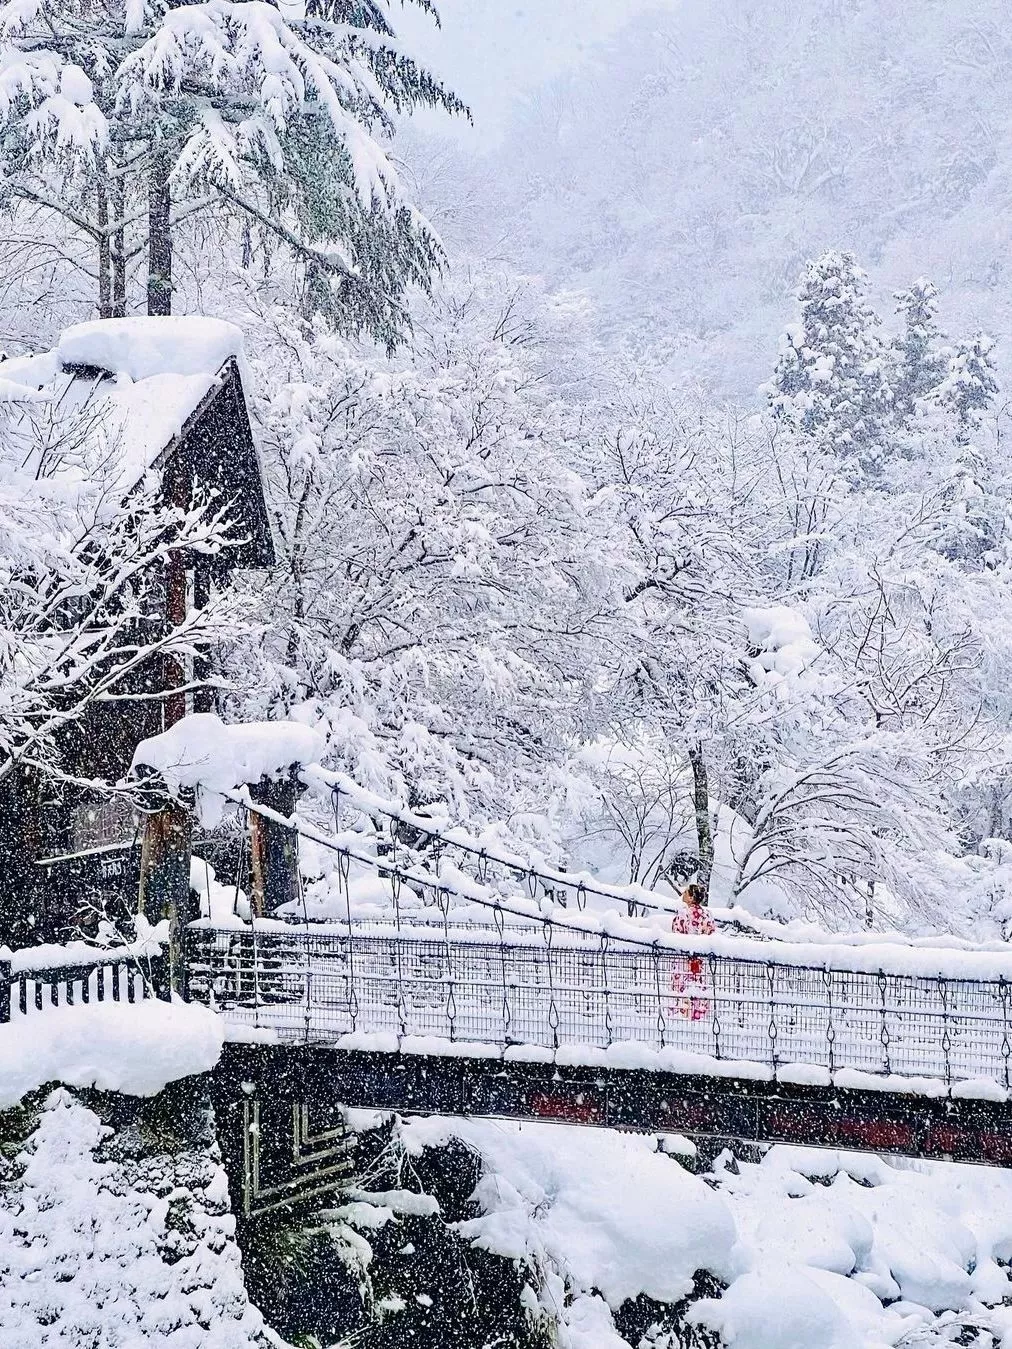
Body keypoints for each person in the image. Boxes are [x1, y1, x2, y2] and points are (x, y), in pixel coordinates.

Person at [670, 883, 715, 1021]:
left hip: (684, 960)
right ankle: (699, 1014)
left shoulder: (683, 914)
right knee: (699, 986)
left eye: (685, 892)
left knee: (681, 988)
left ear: (691, 897)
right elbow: (712, 933)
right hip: (700, 960)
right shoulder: (708, 915)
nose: (682, 894)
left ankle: (681, 1014)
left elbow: (676, 932)